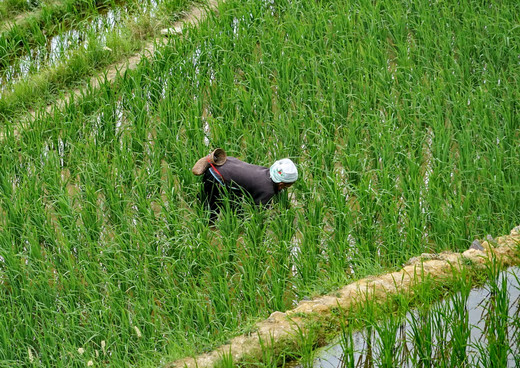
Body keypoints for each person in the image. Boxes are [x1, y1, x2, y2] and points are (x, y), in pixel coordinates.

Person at [194, 152, 298, 221]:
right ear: (281, 184)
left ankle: (200, 201)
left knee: (235, 206)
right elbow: (258, 212)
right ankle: (208, 226)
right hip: (217, 176)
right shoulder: (267, 190)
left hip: (228, 165)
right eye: (287, 186)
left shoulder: (266, 172)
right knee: (211, 211)